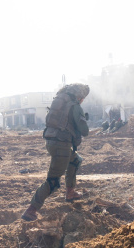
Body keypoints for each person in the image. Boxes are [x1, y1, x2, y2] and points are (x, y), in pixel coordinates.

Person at [21, 83, 90, 221]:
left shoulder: (60, 103)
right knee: (53, 181)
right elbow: (85, 131)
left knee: (75, 160)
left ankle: (70, 192)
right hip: (62, 145)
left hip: (52, 142)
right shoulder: (74, 106)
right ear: (79, 96)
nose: (82, 100)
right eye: (83, 98)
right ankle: (31, 210)